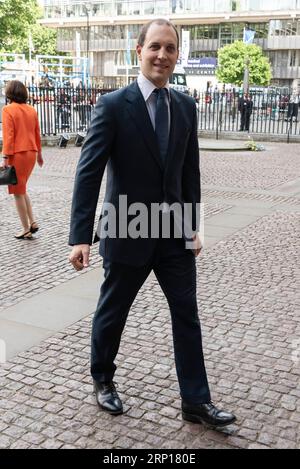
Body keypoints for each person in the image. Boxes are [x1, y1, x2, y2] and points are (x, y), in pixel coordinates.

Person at [69, 19, 236, 428]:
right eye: (155, 47)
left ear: (177, 55)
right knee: (114, 310)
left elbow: (189, 171)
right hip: (126, 228)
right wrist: (80, 237)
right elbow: (88, 172)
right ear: (138, 51)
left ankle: (196, 401)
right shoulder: (112, 105)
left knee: (186, 314)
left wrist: (193, 225)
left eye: (170, 48)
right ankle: (103, 379)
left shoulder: (185, 106)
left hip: (173, 234)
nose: (162, 55)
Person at [1, 80, 43, 239]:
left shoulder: (8, 110)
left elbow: (8, 136)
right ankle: (32, 222)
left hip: (17, 153)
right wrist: (39, 154)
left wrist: (5, 157)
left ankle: (25, 229)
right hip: (31, 152)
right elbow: (37, 133)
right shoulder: (32, 110)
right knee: (22, 188)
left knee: (17, 191)